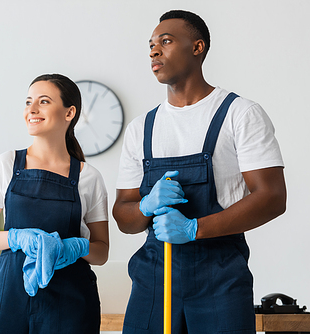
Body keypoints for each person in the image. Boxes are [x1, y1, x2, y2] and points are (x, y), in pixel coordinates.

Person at [113, 10, 286, 334]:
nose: (154, 50)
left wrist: (194, 228)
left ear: (197, 47)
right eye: (151, 44)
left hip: (219, 280)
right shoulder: (142, 129)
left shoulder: (240, 114)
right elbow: (123, 216)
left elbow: (272, 197)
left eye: (166, 41)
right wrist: (145, 206)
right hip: (154, 278)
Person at [0, 73, 109, 334]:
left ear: (69, 113)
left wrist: (76, 247)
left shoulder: (88, 177)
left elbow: (101, 252)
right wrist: (17, 238)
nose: (31, 110)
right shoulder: (7, 164)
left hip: (71, 303)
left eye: (43, 101)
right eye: (28, 102)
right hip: (12, 296)